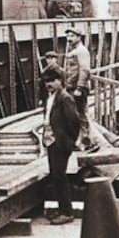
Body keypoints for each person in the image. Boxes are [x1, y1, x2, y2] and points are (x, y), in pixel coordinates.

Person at [40, 65, 81, 225]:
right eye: (46, 81)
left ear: (60, 81)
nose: (48, 84)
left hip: (60, 143)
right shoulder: (50, 97)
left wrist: (68, 142)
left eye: (52, 81)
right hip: (51, 141)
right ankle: (61, 209)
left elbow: (74, 122)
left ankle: (66, 212)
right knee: (55, 176)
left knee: (60, 177)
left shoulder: (65, 98)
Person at [64, 27, 92, 148]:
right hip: (71, 88)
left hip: (77, 89)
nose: (69, 39)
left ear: (79, 37)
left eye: (72, 36)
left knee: (81, 114)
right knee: (72, 115)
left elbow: (85, 70)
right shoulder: (74, 51)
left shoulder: (82, 51)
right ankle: (77, 141)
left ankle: (86, 141)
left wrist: (79, 88)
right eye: (68, 36)